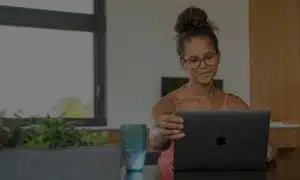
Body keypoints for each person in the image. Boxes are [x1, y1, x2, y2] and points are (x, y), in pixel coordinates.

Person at [149, 6, 277, 179]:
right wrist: (162, 132)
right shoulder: (168, 104)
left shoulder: (234, 103)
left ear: (218, 56)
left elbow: (269, 148)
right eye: (194, 60)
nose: (203, 65)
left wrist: (267, 151)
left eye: (208, 57)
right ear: (183, 63)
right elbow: (156, 139)